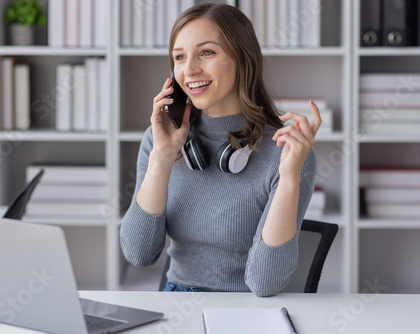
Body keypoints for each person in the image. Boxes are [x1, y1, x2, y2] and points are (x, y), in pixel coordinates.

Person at [120, 3, 321, 297]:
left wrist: (289, 177)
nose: (189, 70)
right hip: (175, 303)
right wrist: (162, 156)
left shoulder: (286, 151)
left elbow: (264, 284)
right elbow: (138, 254)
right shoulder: (161, 139)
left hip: (248, 309)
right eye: (179, 57)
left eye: (207, 52)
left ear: (243, 59)